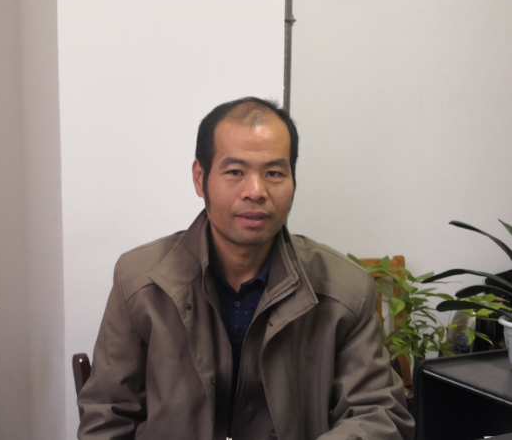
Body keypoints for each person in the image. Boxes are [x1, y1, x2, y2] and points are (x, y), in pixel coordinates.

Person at [77, 97, 415, 440]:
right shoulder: (140, 281)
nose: (255, 191)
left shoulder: (344, 289)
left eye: (274, 173)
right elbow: (108, 417)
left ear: (293, 181)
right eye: (235, 172)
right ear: (200, 178)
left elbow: (379, 413)